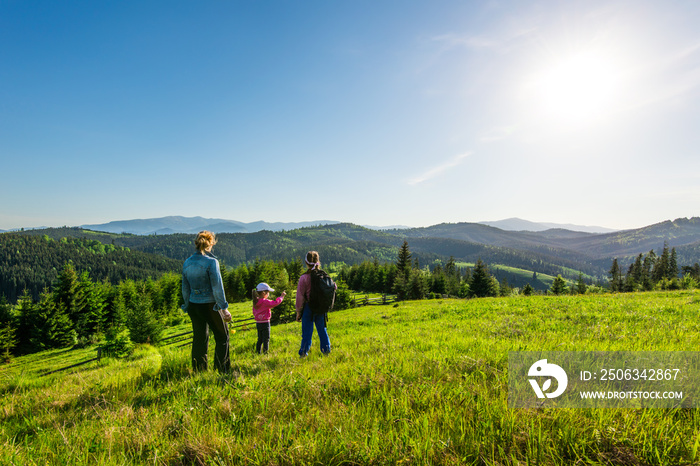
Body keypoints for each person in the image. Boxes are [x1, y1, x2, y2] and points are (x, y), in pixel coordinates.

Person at [181, 230, 231, 373]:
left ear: (196, 243)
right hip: (210, 305)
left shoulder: (187, 262)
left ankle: (199, 371)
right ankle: (222, 370)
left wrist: (186, 305)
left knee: (199, 339)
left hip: (193, 305)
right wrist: (224, 308)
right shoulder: (211, 262)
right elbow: (217, 288)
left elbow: (185, 288)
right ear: (211, 244)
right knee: (222, 336)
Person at [296, 250, 333, 357]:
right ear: (318, 261)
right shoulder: (323, 275)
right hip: (321, 308)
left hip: (309, 308)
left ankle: (303, 353)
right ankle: (326, 351)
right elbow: (333, 286)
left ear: (306, 262)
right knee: (322, 330)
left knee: (307, 333)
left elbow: (300, 297)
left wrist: (299, 312)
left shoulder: (304, 278)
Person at [252, 283, 286, 354]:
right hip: (265, 323)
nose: (268, 294)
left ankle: (258, 352)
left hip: (258, 323)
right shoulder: (265, 302)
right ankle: (265, 353)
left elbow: (254, 312)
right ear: (264, 293)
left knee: (260, 339)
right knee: (266, 339)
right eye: (268, 293)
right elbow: (275, 303)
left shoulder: (255, 302)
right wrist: (281, 297)